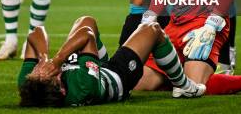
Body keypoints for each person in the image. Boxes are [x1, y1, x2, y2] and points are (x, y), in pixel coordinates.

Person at [17, 16, 205, 107]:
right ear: (62, 89)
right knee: (152, 29)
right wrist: (57, 60)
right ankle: (183, 86)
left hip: (92, 69)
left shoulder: (31, 83)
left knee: (86, 19)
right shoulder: (81, 87)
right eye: (52, 75)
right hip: (117, 76)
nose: (47, 69)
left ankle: (92, 62)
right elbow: (87, 36)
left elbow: (36, 32)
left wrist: (42, 58)